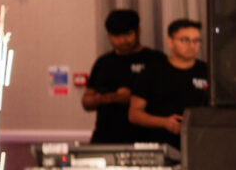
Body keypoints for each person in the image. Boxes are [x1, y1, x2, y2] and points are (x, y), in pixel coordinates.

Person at [83, 9, 163, 144]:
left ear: (138, 31)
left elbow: (165, 100)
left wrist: (134, 98)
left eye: (127, 35)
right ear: (109, 35)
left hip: (146, 139)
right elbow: (86, 102)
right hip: (105, 138)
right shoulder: (103, 62)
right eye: (116, 36)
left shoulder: (155, 60)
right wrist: (110, 98)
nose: (122, 41)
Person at [128, 19, 209, 148]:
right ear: (170, 42)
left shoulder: (207, 71)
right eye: (185, 40)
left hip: (200, 144)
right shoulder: (152, 71)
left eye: (196, 40)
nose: (192, 45)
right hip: (160, 145)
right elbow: (134, 114)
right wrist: (164, 122)